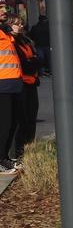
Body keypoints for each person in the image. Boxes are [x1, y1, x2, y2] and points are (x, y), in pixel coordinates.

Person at [9, 16, 39, 162]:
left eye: (21, 24)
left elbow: (38, 59)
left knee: (31, 117)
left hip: (32, 82)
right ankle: (17, 152)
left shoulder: (26, 40)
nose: (20, 26)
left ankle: (29, 148)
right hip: (19, 84)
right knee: (21, 119)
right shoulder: (11, 42)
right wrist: (32, 62)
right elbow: (24, 64)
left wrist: (33, 62)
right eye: (16, 24)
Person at [0, 11, 22, 173]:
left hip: (13, 86)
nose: (20, 25)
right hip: (2, 88)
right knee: (5, 124)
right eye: (17, 23)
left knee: (12, 123)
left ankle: (4, 157)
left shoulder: (9, 38)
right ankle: (1, 160)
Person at [30, 11, 50, 76]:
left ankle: (41, 71)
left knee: (41, 59)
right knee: (48, 58)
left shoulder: (35, 27)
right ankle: (49, 70)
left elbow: (31, 36)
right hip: (47, 44)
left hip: (38, 45)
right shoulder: (48, 27)